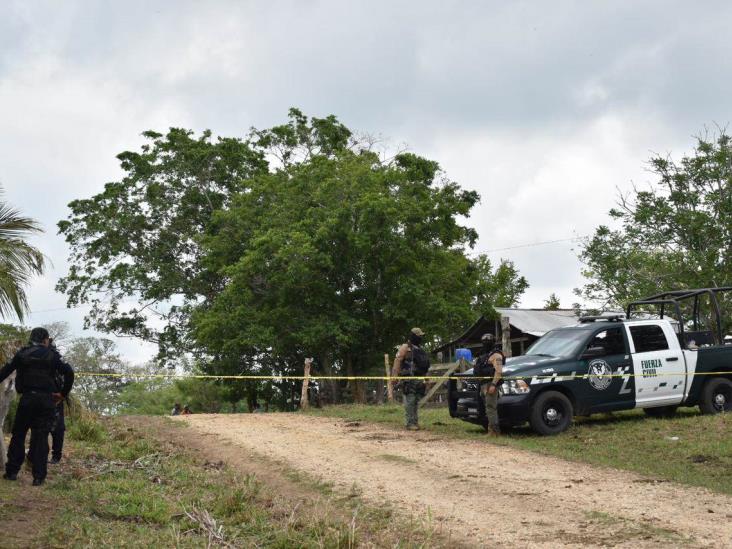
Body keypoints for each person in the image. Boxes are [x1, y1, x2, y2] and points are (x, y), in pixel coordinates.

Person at [0, 327, 74, 486]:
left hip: (27, 399)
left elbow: (5, 371)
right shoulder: (52, 356)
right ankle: (39, 477)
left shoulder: (22, 354)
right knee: (41, 438)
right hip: (46, 401)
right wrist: (62, 394)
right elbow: (69, 372)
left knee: (18, 436)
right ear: (45, 340)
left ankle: (12, 472)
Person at [392, 327, 430, 430]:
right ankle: (410, 423)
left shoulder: (420, 349)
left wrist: (426, 379)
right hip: (409, 378)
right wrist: (394, 376)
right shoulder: (405, 347)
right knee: (410, 399)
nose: (421, 338)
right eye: (419, 336)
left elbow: (423, 367)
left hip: (419, 378)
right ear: (414, 336)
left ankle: (415, 422)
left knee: (416, 400)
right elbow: (398, 360)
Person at [473, 333, 504, 436]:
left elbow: (498, 371)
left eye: (488, 341)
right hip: (483, 384)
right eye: (484, 341)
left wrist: (493, 385)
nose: (485, 343)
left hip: (490, 384)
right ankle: (490, 429)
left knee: (491, 407)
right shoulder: (485, 354)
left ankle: (494, 431)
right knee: (487, 408)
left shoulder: (496, 355)